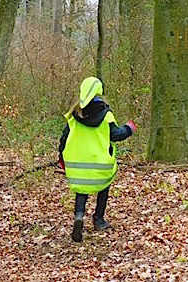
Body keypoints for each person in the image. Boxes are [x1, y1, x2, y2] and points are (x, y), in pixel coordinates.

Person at [58, 77, 136, 243]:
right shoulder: (106, 114)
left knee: (82, 190)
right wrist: (129, 128)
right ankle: (98, 219)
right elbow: (115, 135)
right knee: (104, 187)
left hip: (79, 164)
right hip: (100, 163)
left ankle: (79, 218)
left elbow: (64, 138)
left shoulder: (74, 114)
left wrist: (61, 156)